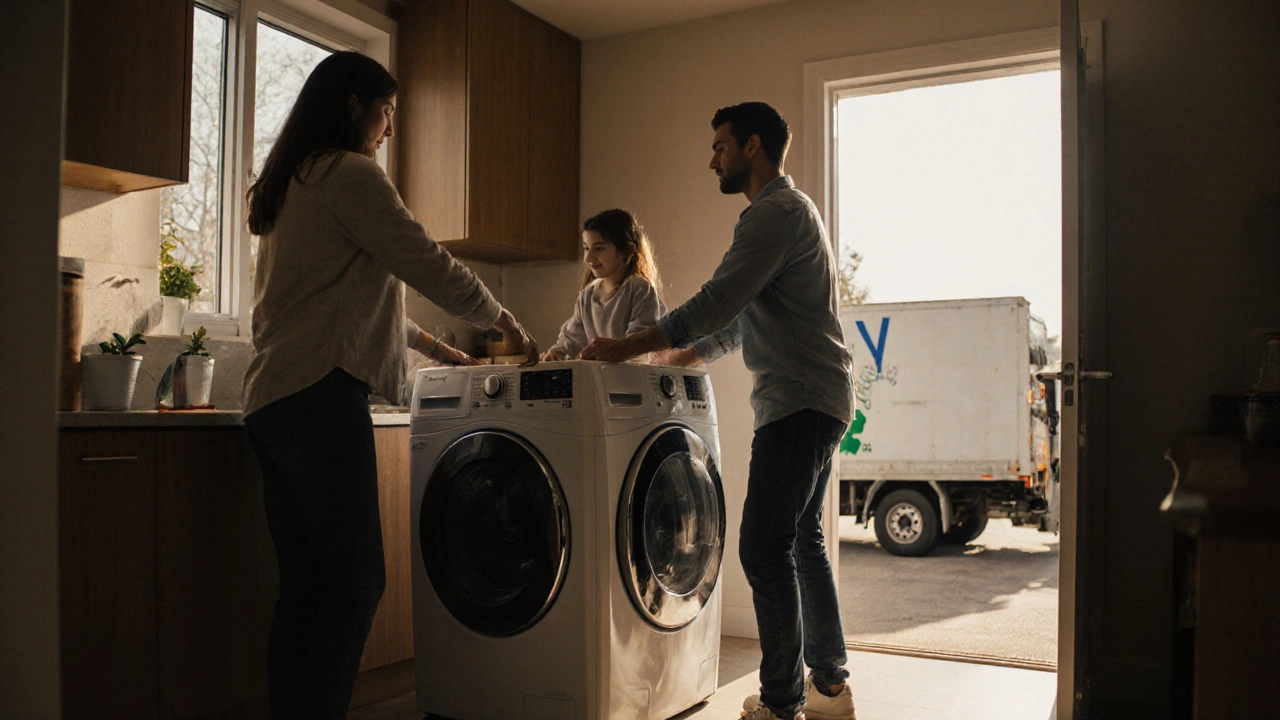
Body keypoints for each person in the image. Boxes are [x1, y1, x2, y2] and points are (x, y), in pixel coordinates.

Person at [241, 51, 537, 719]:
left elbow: (358, 307)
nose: (390, 128)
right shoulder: (352, 174)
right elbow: (425, 260)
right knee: (356, 583)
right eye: (387, 112)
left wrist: (443, 353)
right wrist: (503, 319)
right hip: (318, 396)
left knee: (307, 588)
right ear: (354, 107)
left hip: (271, 403)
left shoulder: (297, 182)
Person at [581, 102, 856, 720]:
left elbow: (715, 301)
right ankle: (829, 690)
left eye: (720, 147)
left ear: (752, 146)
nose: (712, 159)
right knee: (803, 541)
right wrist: (684, 358)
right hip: (820, 396)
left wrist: (630, 344)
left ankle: (783, 705)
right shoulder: (793, 214)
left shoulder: (772, 215)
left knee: (763, 547)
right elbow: (737, 322)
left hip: (799, 400)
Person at [541, 208, 666, 361]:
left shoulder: (639, 289)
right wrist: (555, 354)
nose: (588, 257)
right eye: (586, 248)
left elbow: (638, 344)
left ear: (627, 252)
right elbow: (573, 338)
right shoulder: (587, 295)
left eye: (599, 248)